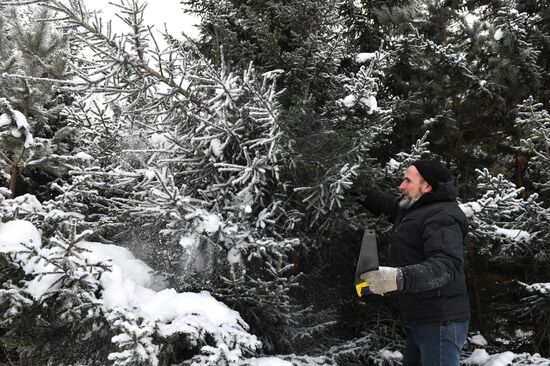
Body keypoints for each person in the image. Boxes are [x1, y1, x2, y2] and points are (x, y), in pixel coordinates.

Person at [359, 159, 470, 366]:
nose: (401, 186)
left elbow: (446, 267)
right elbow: (386, 204)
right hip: (423, 319)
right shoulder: (416, 208)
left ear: (427, 186)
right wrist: (353, 188)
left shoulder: (442, 215)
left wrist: (398, 278)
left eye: (407, 180)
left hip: (441, 322)